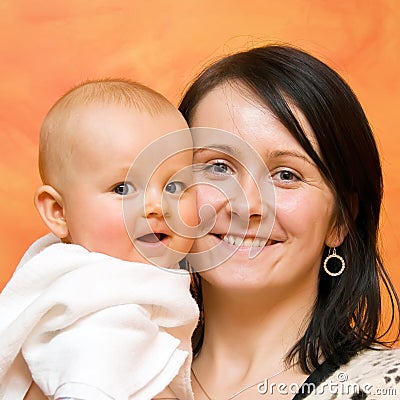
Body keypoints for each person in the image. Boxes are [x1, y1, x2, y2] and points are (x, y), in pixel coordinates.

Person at [179, 45, 400, 399]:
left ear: (340, 221)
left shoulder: (386, 386)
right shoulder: (100, 374)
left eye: (286, 174)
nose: (246, 204)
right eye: (218, 167)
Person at [0, 79, 199, 400]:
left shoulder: (84, 279)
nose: (157, 206)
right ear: (58, 212)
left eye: (174, 187)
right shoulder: (97, 303)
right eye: (122, 188)